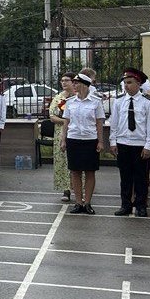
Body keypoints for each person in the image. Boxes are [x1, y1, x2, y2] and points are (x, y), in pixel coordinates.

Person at [109, 68, 150, 217]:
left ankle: (141, 205)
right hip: (123, 143)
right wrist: (113, 141)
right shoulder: (118, 101)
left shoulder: (148, 102)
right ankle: (126, 205)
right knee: (125, 177)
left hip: (140, 145)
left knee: (141, 178)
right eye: (125, 83)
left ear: (138, 83)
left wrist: (149, 145)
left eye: (129, 82)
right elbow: (114, 123)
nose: (126, 86)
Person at [61, 72, 106, 214]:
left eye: (76, 83)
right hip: (73, 139)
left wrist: (100, 141)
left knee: (90, 172)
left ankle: (87, 203)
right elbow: (66, 122)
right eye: (73, 83)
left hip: (90, 140)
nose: (73, 85)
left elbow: (99, 123)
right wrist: (63, 139)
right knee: (75, 172)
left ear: (85, 85)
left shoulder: (95, 102)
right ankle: (78, 202)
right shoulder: (70, 102)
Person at [49, 73, 74, 201]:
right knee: (63, 161)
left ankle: (80, 189)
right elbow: (52, 116)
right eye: (62, 81)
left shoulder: (77, 97)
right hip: (60, 132)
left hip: (76, 132)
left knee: (76, 161)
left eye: (67, 80)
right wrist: (64, 121)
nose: (64, 83)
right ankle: (66, 190)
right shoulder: (58, 97)